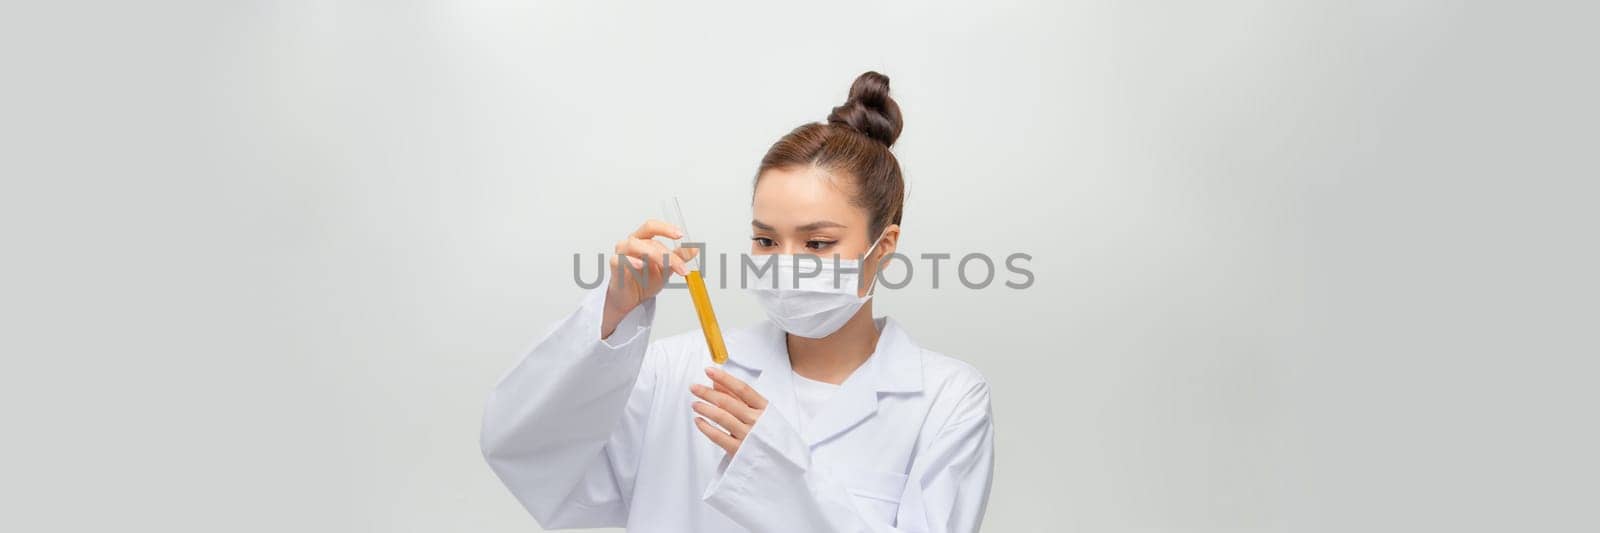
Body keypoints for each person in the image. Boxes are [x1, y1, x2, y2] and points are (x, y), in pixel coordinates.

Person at [481, 71, 994, 532]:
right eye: (766, 240)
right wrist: (610, 317)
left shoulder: (947, 400)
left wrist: (777, 470)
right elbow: (528, 454)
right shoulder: (680, 374)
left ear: (882, 248)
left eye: (817, 243)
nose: (785, 262)